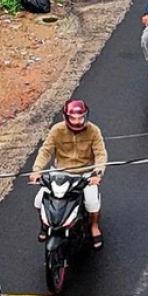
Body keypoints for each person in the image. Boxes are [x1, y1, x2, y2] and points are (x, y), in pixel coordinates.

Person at [30, 100, 109, 246]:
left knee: (92, 203)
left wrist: (97, 173)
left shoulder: (93, 130)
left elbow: (100, 153)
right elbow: (45, 151)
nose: (77, 122)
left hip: (85, 174)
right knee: (39, 201)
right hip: (60, 173)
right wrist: (37, 171)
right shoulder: (56, 130)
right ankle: (44, 225)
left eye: (81, 118)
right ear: (66, 117)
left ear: (86, 116)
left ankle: (94, 226)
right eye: (73, 118)